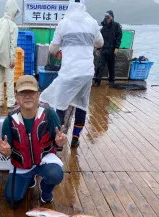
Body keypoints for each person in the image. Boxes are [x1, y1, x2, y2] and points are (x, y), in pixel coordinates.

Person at [39, 0, 103, 147]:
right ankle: (75, 138)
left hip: (69, 72)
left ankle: (58, 140)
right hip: (87, 72)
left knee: (61, 105)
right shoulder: (92, 22)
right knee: (82, 105)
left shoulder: (64, 23)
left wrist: (61, 47)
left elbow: (53, 49)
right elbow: (100, 43)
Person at [0, 75, 67, 207]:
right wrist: (5, 151)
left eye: (31, 92)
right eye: (23, 93)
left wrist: (60, 142)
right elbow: (7, 152)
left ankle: (46, 190)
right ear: (16, 97)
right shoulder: (9, 121)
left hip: (44, 160)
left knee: (56, 174)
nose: (28, 96)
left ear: (38, 95)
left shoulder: (50, 114)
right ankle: (29, 180)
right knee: (12, 199)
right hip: (22, 164)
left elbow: (58, 142)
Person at [0, 0, 20, 108]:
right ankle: (10, 103)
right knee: (10, 81)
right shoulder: (13, 26)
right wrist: (12, 59)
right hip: (8, 59)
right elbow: (13, 45)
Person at [94, 10, 122, 86]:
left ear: (112, 18)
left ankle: (111, 81)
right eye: (106, 17)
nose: (107, 19)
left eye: (108, 17)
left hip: (112, 50)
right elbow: (100, 39)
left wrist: (117, 48)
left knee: (111, 66)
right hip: (103, 49)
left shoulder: (116, 26)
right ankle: (97, 81)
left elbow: (119, 37)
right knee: (100, 66)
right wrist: (98, 48)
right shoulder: (103, 27)